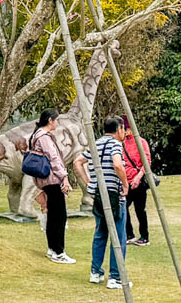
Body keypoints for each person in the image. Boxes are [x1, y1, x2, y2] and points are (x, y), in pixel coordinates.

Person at [74, 115, 130, 289]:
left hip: (97, 194)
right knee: (119, 235)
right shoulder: (115, 144)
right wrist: (126, 183)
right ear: (119, 129)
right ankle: (116, 276)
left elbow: (78, 162)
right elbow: (117, 165)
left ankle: (95, 271)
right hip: (114, 194)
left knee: (101, 233)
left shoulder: (96, 143)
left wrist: (88, 181)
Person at [29, 109, 75, 264]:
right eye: (56, 120)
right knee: (59, 216)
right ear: (50, 120)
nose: (57, 123)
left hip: (46, 180)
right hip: (52, 180)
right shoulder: (44, 137)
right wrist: (64, 177)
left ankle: (52, 249)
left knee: (53, 215)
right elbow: (53, 158)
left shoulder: (37, 136)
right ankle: (59, 251)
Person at [120, 118, 152, 246]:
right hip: (126, 181)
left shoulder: (141, 142)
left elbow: (147, 161)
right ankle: (129, 234)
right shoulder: (122, 143)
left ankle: (145, 236)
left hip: (138, 181)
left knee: (140, 209)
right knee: (123, 207)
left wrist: (138, 177)